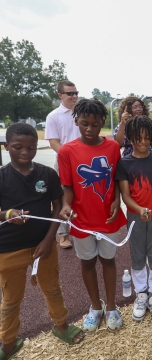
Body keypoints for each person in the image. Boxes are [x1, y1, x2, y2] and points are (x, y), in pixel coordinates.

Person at [0, 123, 84, 359]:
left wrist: (50, 240)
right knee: (10, 299)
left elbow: (58, 206)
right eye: (18, 147)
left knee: (52, 289)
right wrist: (7, 214)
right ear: (7, 147)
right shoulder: (2, 176)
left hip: (43, 245)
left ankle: (61, 325)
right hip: (8, 249)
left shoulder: (47, 174)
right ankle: (7, 341)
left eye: (31, 147)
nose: (25, 152)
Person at [58, 99, 127, 332]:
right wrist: (66, 205)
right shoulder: (67, 151)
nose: (89, 129)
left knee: (108, 260)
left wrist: (117, 199)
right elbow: (67, 186)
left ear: (102, 123)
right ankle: (95, 307)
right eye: (84, 123)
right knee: (87, 262)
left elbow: (117, 179)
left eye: (95, 124)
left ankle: (111, 307)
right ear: (76, 121)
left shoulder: (112, 147)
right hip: (81, 220)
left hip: (108, 218)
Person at [116, 116, 152, 323]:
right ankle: (141, 293)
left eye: (148, 137)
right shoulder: (124, 163)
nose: (143, 142)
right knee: (138, 255)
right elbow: (125, 196)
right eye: (138, 137)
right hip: (135, 218)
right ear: (130, 137)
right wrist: (139, 209)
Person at [45, 80, 80, 249]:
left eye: (76, 93)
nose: (74, 96)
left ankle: (82, 229)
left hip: (83, 163)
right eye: (70, 93)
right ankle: (63, 234)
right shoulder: (54, 116)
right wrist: (70, 158)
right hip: (64, 162)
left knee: (82, 195)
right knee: (61, 197)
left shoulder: (82, 113)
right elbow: (53, 143)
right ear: (60, 95)